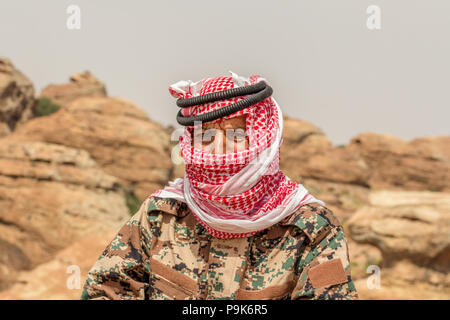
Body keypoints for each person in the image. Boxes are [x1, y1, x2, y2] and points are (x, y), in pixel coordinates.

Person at [81, 71, 358, 300]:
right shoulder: (160, 214)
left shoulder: (312, 229)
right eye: (207, 134)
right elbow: (105, 290)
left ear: (264, 139)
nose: (219, 149)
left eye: (236, 134)